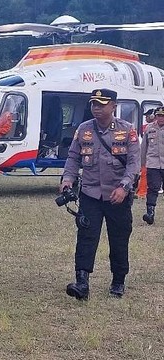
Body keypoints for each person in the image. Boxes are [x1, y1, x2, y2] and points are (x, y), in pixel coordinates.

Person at [60, 89, 140, 300]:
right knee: (86, 237)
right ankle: (82, 283)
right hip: (90, 194)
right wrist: (67, 179)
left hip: (117, 196)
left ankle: (118, 280)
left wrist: (124, 187)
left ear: (113, 105)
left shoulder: (127, 130)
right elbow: (73, 158)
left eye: (101, 104)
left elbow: (133, 163)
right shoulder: (84, 129)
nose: (96, 107)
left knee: (119, 238)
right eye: (93, 103)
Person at [141, 106, 164, 224]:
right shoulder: (149, 128)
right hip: (153, 164)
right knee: (153, 189)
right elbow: (144, 147)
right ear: (155, 117)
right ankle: (150, 213)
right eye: (159, 115)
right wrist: (141, 163)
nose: (161, 118)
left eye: (163, 116)